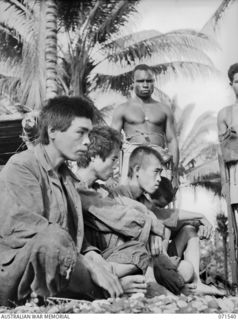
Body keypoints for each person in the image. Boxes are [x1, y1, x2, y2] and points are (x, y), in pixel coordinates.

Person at [0, 96, 125, 307]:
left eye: (89, 133)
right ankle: (104, 290)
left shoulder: (66, 178)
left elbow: (75, 237)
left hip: (61, 263)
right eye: (80, 132)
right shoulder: (22, 166)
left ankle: (104, 284)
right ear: (52, 132)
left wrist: (93, 256)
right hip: (20, 271)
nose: (87, 141)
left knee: (129, 249)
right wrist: (87, 264)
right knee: (51, 241)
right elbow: (27, 229)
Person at [76, 126, 187, 296]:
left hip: (113, 256)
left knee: (141, 250)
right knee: (139, 249)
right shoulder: (77, 189)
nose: (115, 167)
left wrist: (151, 226)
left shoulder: (101, 189)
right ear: (94, 156)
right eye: (113, 159)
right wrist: (150, 226)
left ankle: (145, 283)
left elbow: (136, 209)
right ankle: (120, 285)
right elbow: (121, 217)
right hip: (87, 259)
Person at [112, 146, 226, 296]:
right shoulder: (120, 194)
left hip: (156, 260)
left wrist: (199, 218)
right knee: (181, 266)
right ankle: (153, 282)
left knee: (187, 231)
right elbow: (158, 216)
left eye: (160, 173)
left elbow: (167, 215)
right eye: (156, 172)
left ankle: (196, 283)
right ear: (137, 170)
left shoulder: (145, 202)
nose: (159, 178)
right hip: (127, 262)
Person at [111, 64, 179, 191]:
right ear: (133, 82)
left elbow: (172, 140)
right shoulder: (122, 109)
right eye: (141, 81)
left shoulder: (164, 109)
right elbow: (113, 141)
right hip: (132, 159)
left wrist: (174, 174)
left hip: (158, 159)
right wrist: (111, 173)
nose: (146, 85)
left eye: (149, 81)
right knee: (130, 200)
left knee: (157, 202)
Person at [217, 63, 238, 288]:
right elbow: (222, 153)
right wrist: (224, 182)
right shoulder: (225, 114)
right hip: (236, 172)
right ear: (231, 84)